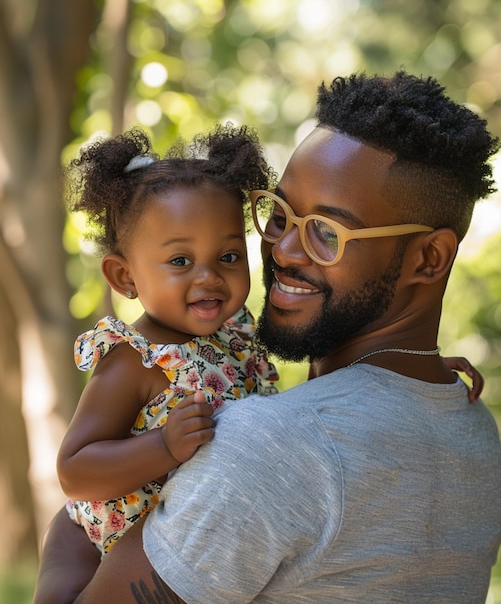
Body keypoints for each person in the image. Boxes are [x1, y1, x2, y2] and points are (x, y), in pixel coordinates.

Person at [34, 70, 501, 603]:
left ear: (430, 258)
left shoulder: (268, 446)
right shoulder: (473, 432)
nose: (282, 250)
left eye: (328, 232)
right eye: (279, 215)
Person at [56, 124, 279, 558]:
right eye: (181, 260)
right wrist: (162, 446)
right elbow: (74, 470)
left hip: (196, 550)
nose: (210, 276)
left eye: (229, 256)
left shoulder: (239, 340)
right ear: (125, 276)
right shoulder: (135, 359)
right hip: (97, 549)